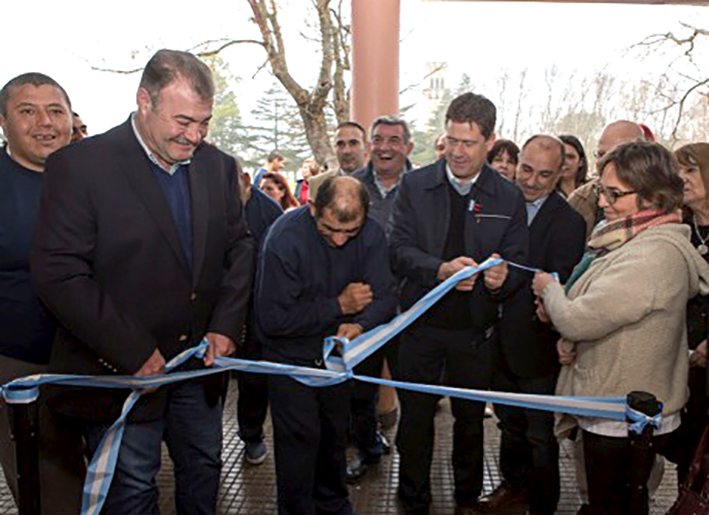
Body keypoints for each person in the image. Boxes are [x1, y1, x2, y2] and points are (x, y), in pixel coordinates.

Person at [31, 49, 253, 514]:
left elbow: (239, 250)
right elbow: (59, 273)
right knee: (131, 489)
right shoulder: (80, 167)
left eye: (205, 122)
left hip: (199, 371)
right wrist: (130, 350)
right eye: (184, 121)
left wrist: (227, 325)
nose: (195, 136)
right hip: (122, 376)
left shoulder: (218, 167)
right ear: (144, 101)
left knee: (205, 469)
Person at [533, 141, 709, 515]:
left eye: (614, 194)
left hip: (622, 416)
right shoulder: (631, 238)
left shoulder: (652, 255)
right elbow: (604, 312)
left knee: (614, 504)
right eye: (602, 190)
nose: (602, 202)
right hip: (616, 405)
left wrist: (550, 292)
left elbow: (580, 319)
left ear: (651, 195)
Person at [390, 92, 528, 515]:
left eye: (469, 143)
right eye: (452, 140)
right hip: (419, 326)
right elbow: (396, 249)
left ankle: (466, 499)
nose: (458, 152)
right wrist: (439, 269)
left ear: (490, 141)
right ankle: (412, 498)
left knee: (470, 422)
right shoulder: (414, 185)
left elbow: (519, 261)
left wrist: (504, 277)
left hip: (474, 332)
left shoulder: (508, 196)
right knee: (415, 419)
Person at [255, 175, 397, 515]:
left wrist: (361, 324)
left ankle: (334, 506)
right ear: (311, 207)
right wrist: (338, 306)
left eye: (351, 232)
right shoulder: (284, 238)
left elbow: (386, 296)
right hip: (290, 361)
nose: (338, 240)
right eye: (329, 229)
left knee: (334, 439)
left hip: (337, 359)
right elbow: (272, 319)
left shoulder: (373, 235)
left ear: (366, 213)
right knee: (298, 446)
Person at [478, 135, 585, 515]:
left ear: (560, 175)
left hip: (536, 344)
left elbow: (560, 280)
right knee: (508, 423)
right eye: (526, 169)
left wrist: (509, 279)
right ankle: (513, 486)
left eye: (544, 174)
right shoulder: (495, 207)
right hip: (495, 339)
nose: (532, 181)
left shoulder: (569, 222)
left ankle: (543, 502)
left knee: (541, 434)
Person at [0, 72, 85, 514]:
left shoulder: (100, 178)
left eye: (56, 110)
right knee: (52, 494)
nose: (45, 123)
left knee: (119, 482)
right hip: (21, 369)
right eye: (27, 111)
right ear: (3, 122)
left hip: (103, 363)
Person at [345, 116, 413, 482]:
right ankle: (363, 446)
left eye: (394, 140)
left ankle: (414, 464)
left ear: (408, 147)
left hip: (412, 308)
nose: (385, 147)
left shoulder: (422, 188)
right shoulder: (351, 186)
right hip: (365, 309)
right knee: (358, 387)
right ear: (369, 144)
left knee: (416, 391)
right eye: (378, 139)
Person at [664, 143, 709, 483]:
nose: (682, 178)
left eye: (691, 170)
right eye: (678, 170)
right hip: (683, 362)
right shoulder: (677, 227)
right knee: (688, 453)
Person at [236, 167, 283, 466]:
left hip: (260, 310)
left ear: (244, 180)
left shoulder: (270, 212)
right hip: (216, 309)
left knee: (256, 379)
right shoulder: (206, 203)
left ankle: (253, 435)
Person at [569, 120, 645, 240]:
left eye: (615, 154)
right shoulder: (580, 199)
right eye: (600, 154)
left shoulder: (664, 202)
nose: (602, 162)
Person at [308, 121, 368, 202]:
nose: (346, 151)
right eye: (340, 144)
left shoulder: (382, 183)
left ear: (366, 147)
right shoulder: (317, 184)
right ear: (334, 148)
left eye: (353, 143)